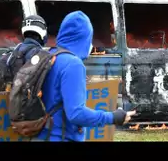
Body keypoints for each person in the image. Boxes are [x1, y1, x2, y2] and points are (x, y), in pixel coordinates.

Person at [35, 11, 136, 141]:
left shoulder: (50, 56)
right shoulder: (73, 64)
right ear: (83, 38)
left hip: (43, 135)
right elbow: (76, 114)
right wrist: (113, 117)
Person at [0, 14, 49, 92]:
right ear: (42, 32)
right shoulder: (41, 55)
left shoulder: (12, 53)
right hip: (32, 102)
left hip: (11, 100)